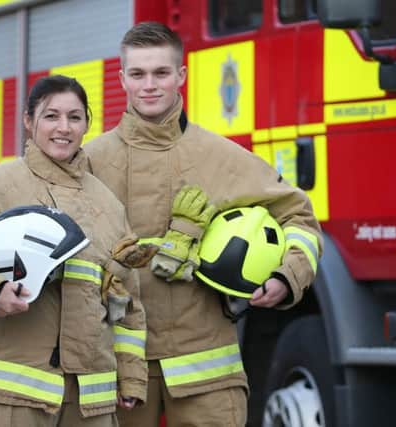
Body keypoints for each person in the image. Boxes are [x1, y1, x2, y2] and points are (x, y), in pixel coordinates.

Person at [84, 22, 323, 426]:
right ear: (121, 78)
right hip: (116, 367)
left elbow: (298, 215)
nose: (149, 85)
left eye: (161, 73)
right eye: (138, 74)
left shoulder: (222, 157)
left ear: (181, 75)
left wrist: (287, 276)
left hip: (205, 373)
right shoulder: (89, 161)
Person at [0, 75, 152, 427]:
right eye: (51, 116)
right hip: (11, 400)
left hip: (90, 406)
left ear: (87, 122)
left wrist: (130, 375)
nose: (63, 128)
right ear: (28, 121)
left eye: (74, 117)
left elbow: (126, 299)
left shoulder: (108, 205)